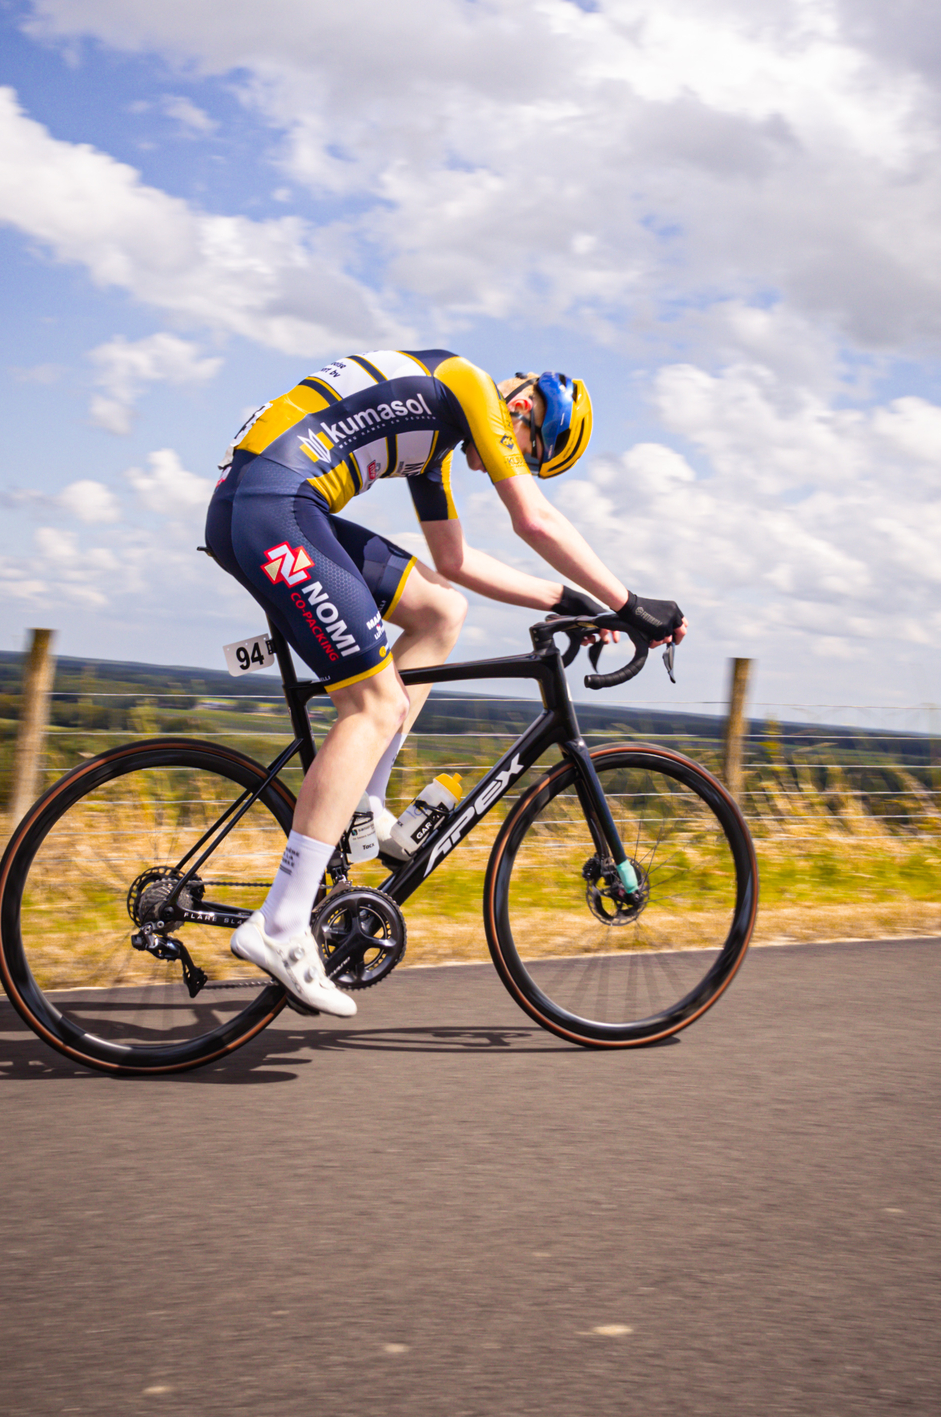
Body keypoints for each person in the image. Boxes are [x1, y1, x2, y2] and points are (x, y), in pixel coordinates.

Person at [205, 347, 684, 1017]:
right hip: (275, 508)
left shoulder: (433, 431)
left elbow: (453, 562)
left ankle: (365, 806)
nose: (500, 463)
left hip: (262, 499)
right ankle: (282, 926)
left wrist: (565, 599)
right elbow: (534, 520)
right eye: (526, 453)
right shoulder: (466, 385)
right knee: (371, 707)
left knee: (438, 611)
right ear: (525, 410)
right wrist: (630, 604)